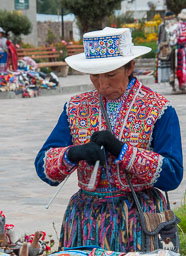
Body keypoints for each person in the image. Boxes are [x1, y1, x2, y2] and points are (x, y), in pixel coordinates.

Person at [35, 27, 183, 252]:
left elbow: (172, 175)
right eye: (95, 76)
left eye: (111, 75)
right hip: (85, 220)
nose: (102, 85)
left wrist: (123, 150)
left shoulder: (158, 109)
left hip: (139, 220)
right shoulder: (75, 108)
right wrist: (73, 153)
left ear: (130, 67)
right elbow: (44, 167)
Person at [176, 9, 186, 90]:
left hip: (182, 49)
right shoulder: (179, 25)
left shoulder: (179, 26)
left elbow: (177, 38)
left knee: (182, 66)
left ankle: (182, 83)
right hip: (183, 48)